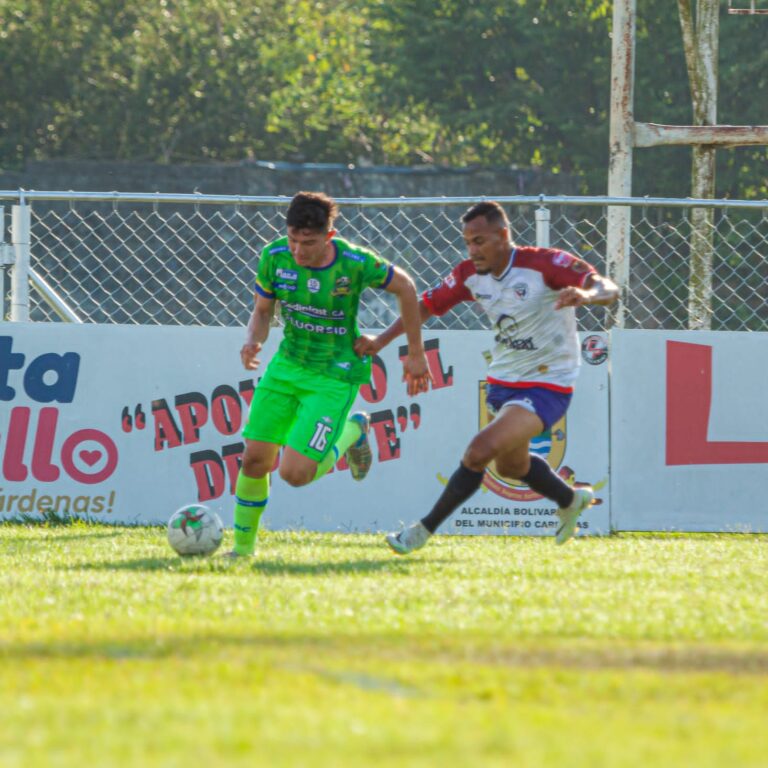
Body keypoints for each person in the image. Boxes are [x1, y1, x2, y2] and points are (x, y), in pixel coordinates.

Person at [354, 200, 618, 553]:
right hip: (503, 379)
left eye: (479, 241)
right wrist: (382, 339)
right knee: (512, 466)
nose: (472, 249)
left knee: (479, 451)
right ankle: (570, 499)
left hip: (549, 381)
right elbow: (425, 305)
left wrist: (586, 295)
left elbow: (608, 288)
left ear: (503, 235)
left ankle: (420, 532)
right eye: (467, 242)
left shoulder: (543, 264)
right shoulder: (469, 274)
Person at [228, 191, 431, 556]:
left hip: (334, 375)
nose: (298, 250)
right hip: (287, 367)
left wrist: (412, 352)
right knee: (254, 459)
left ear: (329, 236)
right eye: (292, 239)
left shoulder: (355, 262)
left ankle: (354, 430)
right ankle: (241, 551)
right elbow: (262, 311)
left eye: (308, 242)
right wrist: (253, 340)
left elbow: (406, 287)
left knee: (295, 474)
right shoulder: (274, 257)